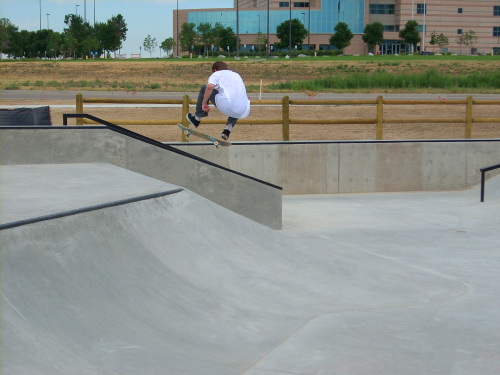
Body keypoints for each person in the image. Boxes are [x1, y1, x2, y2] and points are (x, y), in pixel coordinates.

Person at [186, 61, 250, 140]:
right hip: (243, 108)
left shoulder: (217, 74)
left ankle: (196, 118)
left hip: (226, 104)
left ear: (215, 70)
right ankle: (227, 130)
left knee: (204, 88)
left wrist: (204, 103)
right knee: (236, 103)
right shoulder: (236, 75)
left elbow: (209, 87)